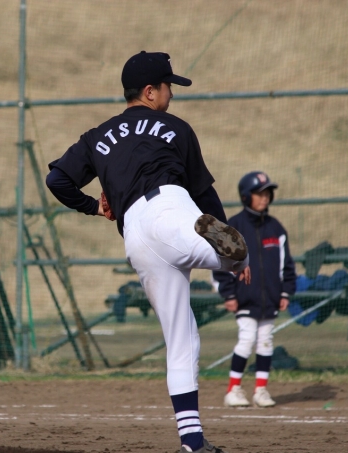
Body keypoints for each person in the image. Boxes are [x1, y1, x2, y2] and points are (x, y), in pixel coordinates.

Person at [46, 50, 250, 453]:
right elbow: (204, 191)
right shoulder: (176, 127)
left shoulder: (97, 136)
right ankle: (227, 255)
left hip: (135, 235)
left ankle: (191, 441)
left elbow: (57, 180)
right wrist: (233, 251)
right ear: (150, 91)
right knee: (227, 253)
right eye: (168, 86)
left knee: (181, 339)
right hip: (172, 209)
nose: (171, 93)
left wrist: (94, 207)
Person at [213, 171, 297, 408]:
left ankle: (261, 391)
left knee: (265, 342)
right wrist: (228, 294)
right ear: (245, 196)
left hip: (270, 298)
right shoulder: (234, 226)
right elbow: (220, 263)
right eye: (259, 193)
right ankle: (233, 390)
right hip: (244, 297)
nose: (265, 198)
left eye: (267, 193)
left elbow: (286, 264)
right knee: (247, 339)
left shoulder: (276, 228)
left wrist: (285, 292)